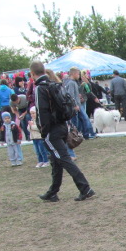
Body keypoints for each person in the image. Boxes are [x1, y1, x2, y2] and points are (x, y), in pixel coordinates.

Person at [30, 60, 95, 202]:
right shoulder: (55, 84)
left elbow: (42, 112)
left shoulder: (40, 88)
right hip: (62, 126)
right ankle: (52, 192)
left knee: (64, 159)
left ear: (32, 74)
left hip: (51, 130)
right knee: (56, 160)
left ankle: (85, 188)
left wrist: (44, 131)